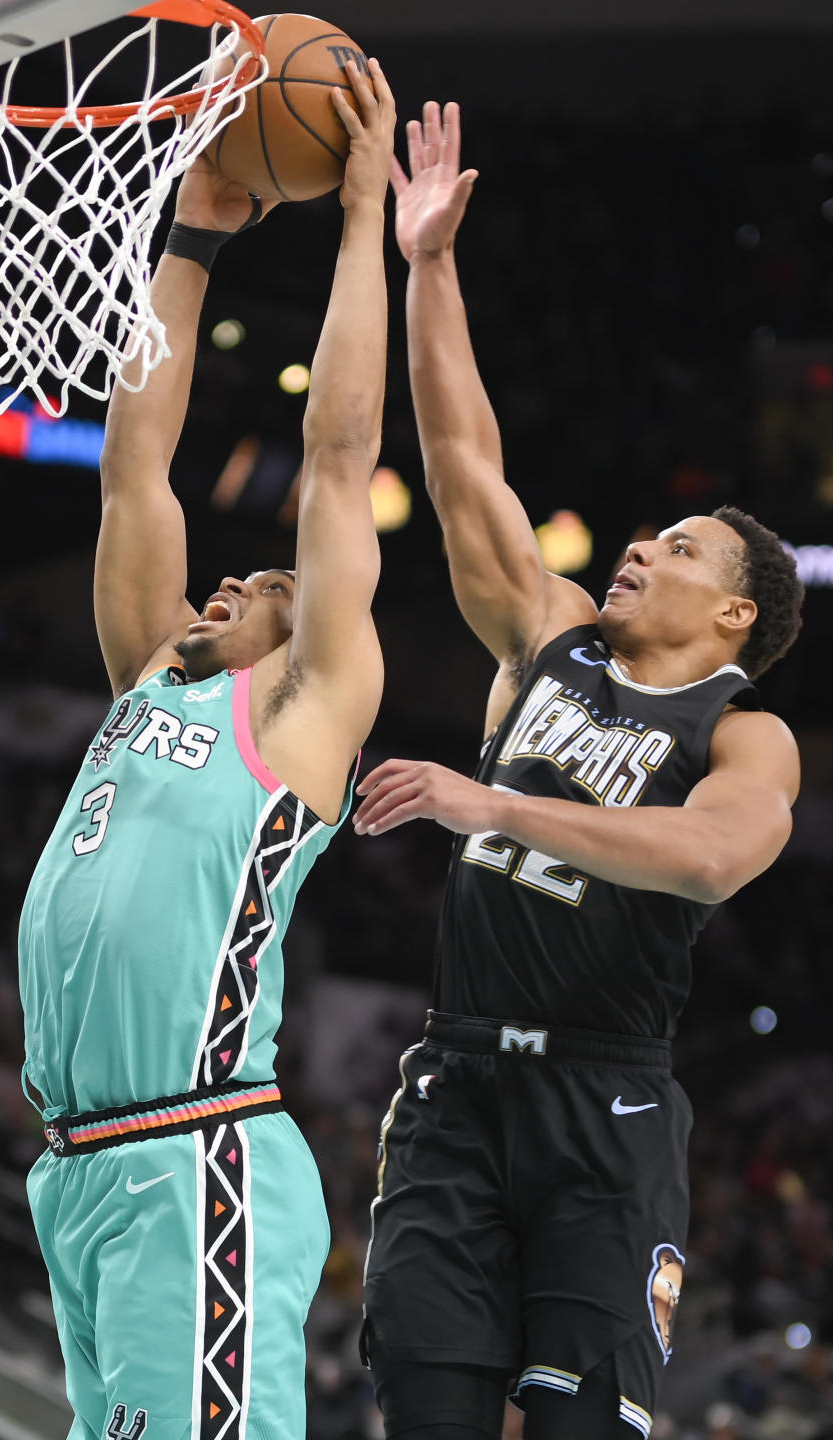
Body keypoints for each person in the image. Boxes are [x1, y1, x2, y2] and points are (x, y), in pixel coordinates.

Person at [353, 101, 804, 1440]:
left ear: (733, 618)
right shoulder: (548, 637)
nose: (639, 551)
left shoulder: (740, 732)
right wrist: (428, 265)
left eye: (676, 548)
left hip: (606, 1106)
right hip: (454, 1088)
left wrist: (497, 803)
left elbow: (717, 856)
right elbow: (459, 465)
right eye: (647, 536)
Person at [17, 58, 394, 1440]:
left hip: (194, 1155)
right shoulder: (143, 681)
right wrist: (188, 240)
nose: (228, 586)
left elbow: (340, 457)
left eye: (264, 589)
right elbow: (138, 456)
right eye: (219, 584)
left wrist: (360, 223)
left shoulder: (292, 721)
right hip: (77, 1173)